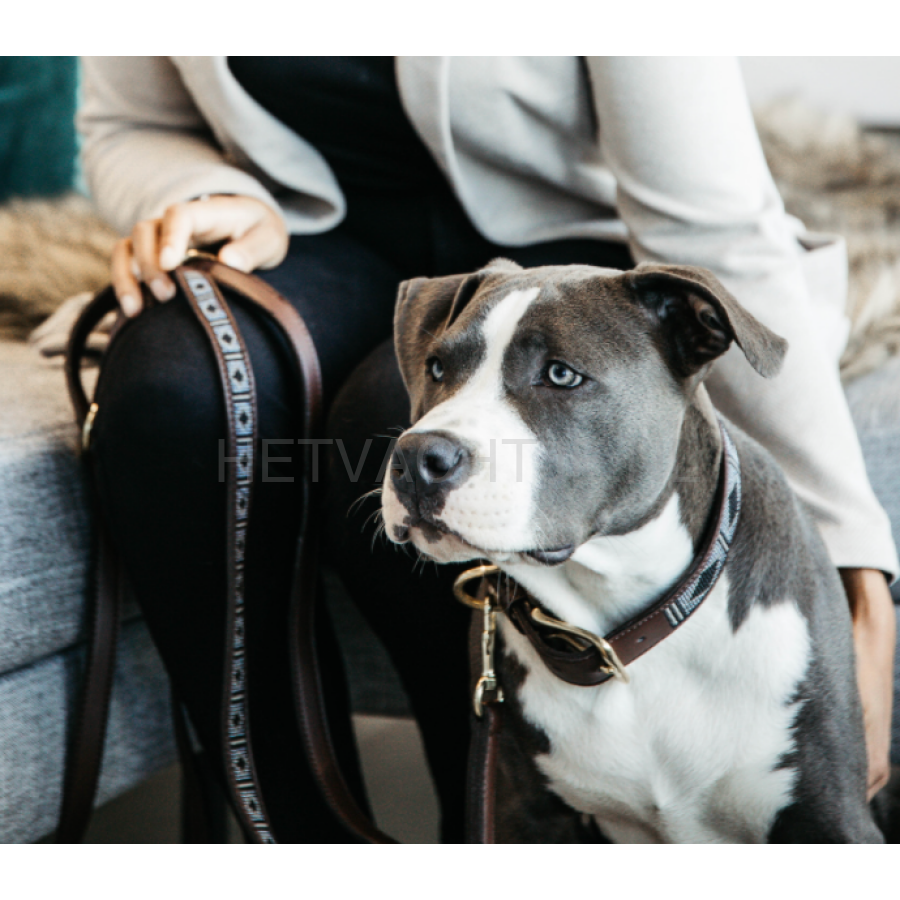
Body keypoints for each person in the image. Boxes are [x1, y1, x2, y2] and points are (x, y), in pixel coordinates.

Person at [78, 57, 897, 842]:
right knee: (168, 393)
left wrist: (855, 566)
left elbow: (712, 222)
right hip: (311, 239)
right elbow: (129, 124)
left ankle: (475, 820)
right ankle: (295, 839)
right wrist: (204, 192)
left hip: (576, 250)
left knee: (383, 412)